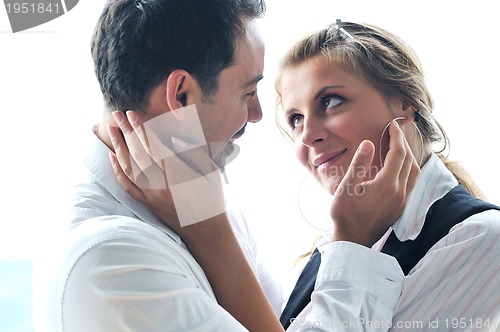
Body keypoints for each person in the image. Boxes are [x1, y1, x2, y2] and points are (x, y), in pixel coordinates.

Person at [32, 1, 415, 331]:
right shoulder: (111, 260)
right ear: (181, 95)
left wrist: (210, 227)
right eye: (248, 92)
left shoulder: (203, 203)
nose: (257, 114)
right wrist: (351, 240)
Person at [110, 20, 499, 331]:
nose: (308, 134)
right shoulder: (323, 253)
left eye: (330, 102)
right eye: (295, 119)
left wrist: (351, 244)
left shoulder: (484, 241)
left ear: (405, 103)